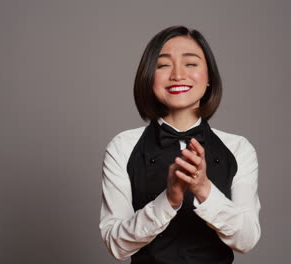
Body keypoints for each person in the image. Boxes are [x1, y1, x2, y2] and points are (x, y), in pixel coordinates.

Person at [99, 26, 260, 264]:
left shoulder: (239, 149)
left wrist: (204, 189)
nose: (177, 75)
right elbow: (116, 245)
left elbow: (246, 240)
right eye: (163, 65)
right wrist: (169, 199)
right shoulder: (122, 147)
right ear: (148, 78)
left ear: (209, 79)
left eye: (191, 64)